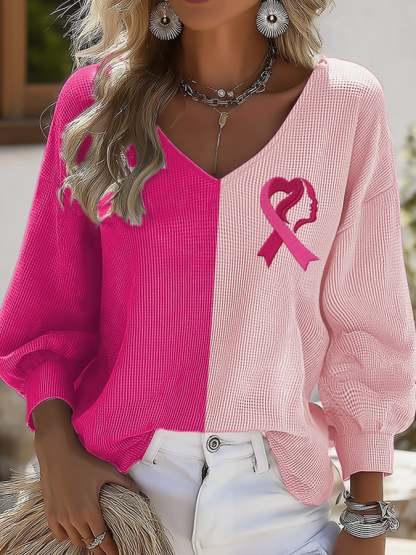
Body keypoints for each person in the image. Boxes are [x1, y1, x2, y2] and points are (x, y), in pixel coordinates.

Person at [1, 1, 415, 554]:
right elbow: (48, 309)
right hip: (115, 506)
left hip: (282, 512)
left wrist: (367, 517)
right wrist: (55, 451)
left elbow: (367, 323)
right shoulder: (98, 105)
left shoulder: (345, 105)